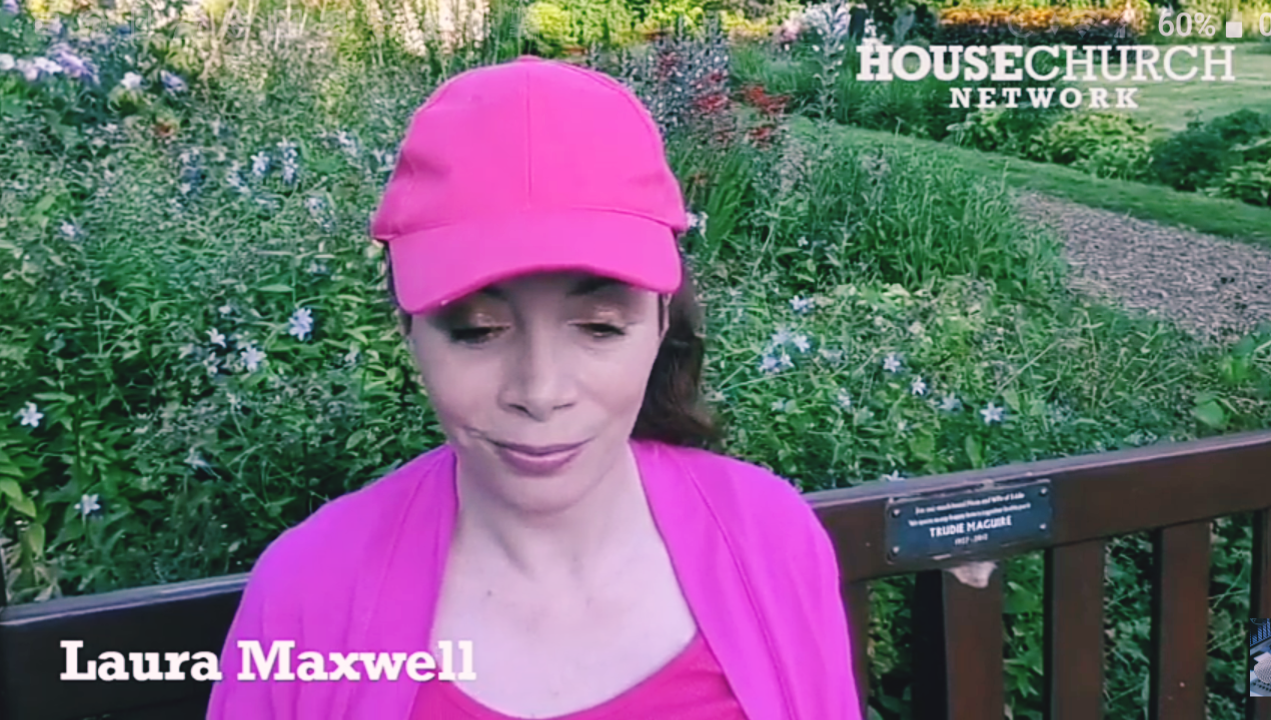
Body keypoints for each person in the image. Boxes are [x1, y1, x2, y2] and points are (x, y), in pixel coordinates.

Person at [206, 55, 861, 719]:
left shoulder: (770, 540)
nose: (541, 391)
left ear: (663, 320)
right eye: (477, 331)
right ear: (408, 327)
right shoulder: (308, 596)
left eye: (600, 327)